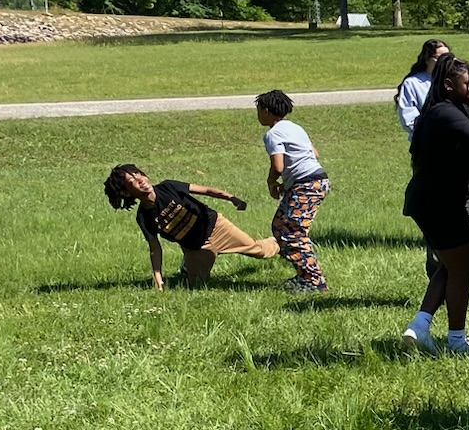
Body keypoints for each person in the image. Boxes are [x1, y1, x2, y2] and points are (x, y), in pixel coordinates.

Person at [400, 55, 469, 359]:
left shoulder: (460, 111)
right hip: (438, 203)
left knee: (451, 264)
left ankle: (419, 327)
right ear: (447, 84)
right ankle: (456, 340)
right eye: (467, 83)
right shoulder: (445, 113)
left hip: (435, 201)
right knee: (461, 267)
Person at [104, 164, 278, 288]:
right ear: (126, 192)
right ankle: (187, 266)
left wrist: (231, 198)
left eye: (138, 173)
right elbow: (155, 248)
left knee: (260, 251)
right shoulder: (144, 217)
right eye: (132, 180)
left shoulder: (168, 187)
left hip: (218, 228)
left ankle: (281, 240)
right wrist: (158, 278)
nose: (140, 179)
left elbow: (206, 190)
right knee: (197, 286)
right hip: (196, 248)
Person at [254, 89, 329, 293]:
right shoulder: (295, 127)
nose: (258, 114)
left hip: (306, 184)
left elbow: (278, 166)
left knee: (292, 232)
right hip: (315, 181)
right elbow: (314, 152)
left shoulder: (273, 133)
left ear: (267, 111)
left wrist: (272, 182)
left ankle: (313, 281)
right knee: (280, 226)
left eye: (258, 109)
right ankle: (303, 275)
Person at [393, 38, 449, 139]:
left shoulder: (456, 80)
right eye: (439, 58)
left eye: (448, 57)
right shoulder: (413, 83)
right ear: (427, 59)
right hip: (426, 142)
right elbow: (409, 118)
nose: (445, 61)